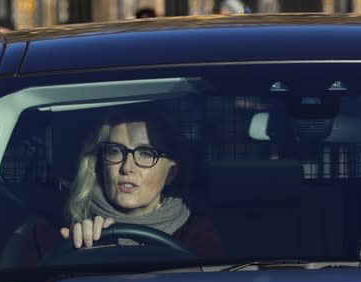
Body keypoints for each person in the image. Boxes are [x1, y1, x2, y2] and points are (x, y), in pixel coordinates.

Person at [25, 105, 225, 262]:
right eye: (115, 151)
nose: (127, 167)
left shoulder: (197, 234)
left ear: (171, 172)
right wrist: (79, 260)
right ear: (100, 162)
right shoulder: (55, 232)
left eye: (146, 153)